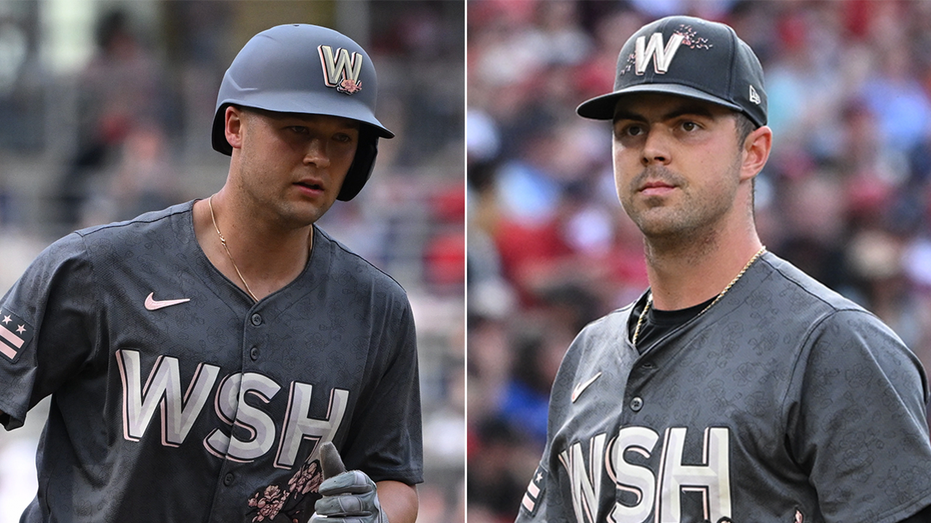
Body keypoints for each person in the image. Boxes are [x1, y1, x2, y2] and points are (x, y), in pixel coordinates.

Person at [515, 15, 931, 523]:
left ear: (753, 152)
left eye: (687, 125)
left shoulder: (835, 345)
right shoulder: (588, 353)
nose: (652, 149)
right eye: (631, 129)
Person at [0, 23, 422, 523]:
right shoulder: (98, 268)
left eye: (341, 138)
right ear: (235, 127)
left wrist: (375, 516)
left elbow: (395, 478)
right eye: (297, 130)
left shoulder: (378, 311)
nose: (319, 156)